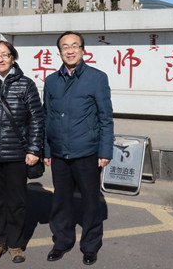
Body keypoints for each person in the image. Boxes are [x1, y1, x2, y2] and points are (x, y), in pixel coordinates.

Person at [43, 31, 114, 266]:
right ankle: (62, 241)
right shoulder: (51, 81)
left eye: (75, 46)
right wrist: (46, 150)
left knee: (91, 202)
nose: (70, 50)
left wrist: (105, 151)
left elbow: (105, 118)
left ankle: (90, 245)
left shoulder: (97, 78)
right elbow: (46, 117)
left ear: (83, 50)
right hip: (59, 152)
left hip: (87, 152)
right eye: (65, 47)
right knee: (61, 200)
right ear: (59, 52)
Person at [0, 40, 44, 264]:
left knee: (16, 201)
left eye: (5, 54)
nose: (0, 59)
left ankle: (15, 244)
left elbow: (36, 119)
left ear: (13, 58)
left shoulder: (26, 84)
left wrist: (34, 149)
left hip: (16, 153)